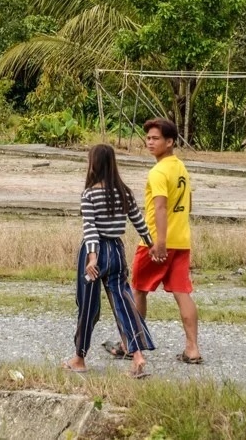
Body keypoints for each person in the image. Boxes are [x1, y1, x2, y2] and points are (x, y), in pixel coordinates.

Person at [104, 117, 203, 364]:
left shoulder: (158, 172)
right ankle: (192, 348)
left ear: (169, 142)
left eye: (156, 138)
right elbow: (188, 204)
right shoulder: (180, 167)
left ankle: (130, 344)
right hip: (181, 241)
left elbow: (160, 208)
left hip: (156, 242)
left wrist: (158, 242)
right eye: (148, 137)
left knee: (138, 290)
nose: (150, 142)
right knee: (182, 292)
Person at [64, 144, 155, 379]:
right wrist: (150, 243)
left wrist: (92, 257)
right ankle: (137, 357)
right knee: (124, 304)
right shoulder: (123, 192)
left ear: (94, 163)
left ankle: (79, 358)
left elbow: (91, 229)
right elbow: (138, 220)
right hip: (116, 250)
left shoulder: (89, 194)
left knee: (87, 307)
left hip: (94, 253)